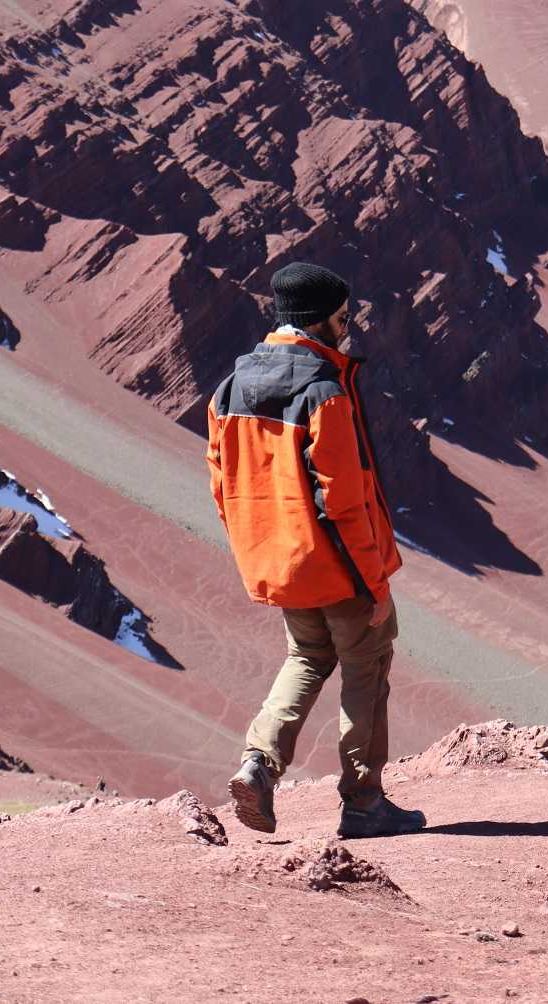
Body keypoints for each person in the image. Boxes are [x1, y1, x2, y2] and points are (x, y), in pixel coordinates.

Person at [205, 260, 426, 839]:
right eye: (342, 318)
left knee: (306, 658)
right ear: (319, 320)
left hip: (279, 562)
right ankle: (364, 802)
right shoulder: (323, 392)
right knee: (366, 667)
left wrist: (261, 547)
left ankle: (258, 762)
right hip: (340, 567)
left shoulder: (228, 388)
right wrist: (375, 584)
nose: (347, 329)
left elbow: (220, 483)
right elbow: (344, 502)